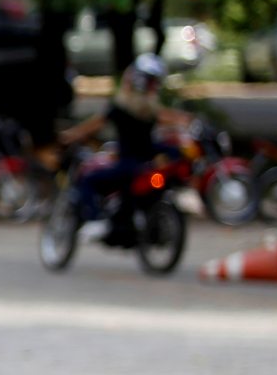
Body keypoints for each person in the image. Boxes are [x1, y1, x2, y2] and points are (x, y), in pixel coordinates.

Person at [59, 53, 190, 238]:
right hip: (147, 163)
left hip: (129, 166)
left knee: (88, 179)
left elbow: (92, 126)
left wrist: (69, 136)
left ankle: (95, 220)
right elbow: (169, 118)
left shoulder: (122, 108)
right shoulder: (151, 110)